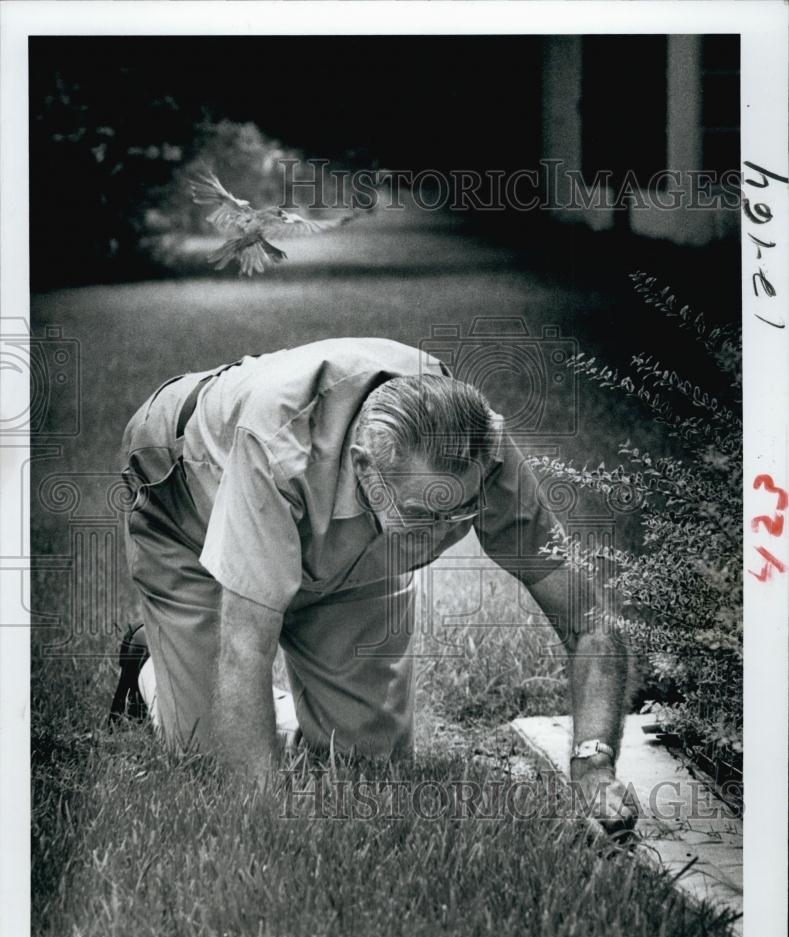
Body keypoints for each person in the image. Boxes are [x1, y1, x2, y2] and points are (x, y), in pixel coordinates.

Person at [112, 337, 636, 833]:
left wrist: (593, 764)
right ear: (365, 466)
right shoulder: (276, 446)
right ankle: (151, 668)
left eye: (461, 510)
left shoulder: (482, 450)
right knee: (212, 753)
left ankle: (288, 683)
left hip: (352, 532)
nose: (441, 531)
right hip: (184, 497)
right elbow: (246, 648)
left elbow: (588, 622)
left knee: (366, 763)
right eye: (423, 513)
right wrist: (267, 822)